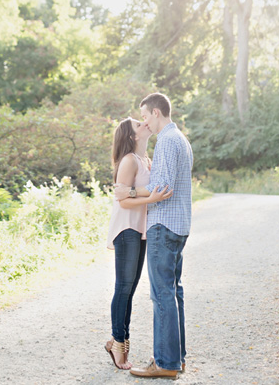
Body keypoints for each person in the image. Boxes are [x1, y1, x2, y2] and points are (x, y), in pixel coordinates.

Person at [114, 93, 193, 379]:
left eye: (145, 115)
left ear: (156, 112)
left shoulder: (166, 142)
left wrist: (130, 192)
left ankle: (165, 363)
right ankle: (176, 358)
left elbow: (161, 188)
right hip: (179, 224)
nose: (145, 121)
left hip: (163, 224)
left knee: (162, 295)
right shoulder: (180, 139)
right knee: (173, 293)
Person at [105, 117, 172, 370]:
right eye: (138, 124)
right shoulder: (129, 160)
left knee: (130, 289)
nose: (144, 123)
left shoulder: (146, 160)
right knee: (123, 287)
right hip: (127, 228)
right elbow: (122, 199)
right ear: (132, 136)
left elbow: (132, 191)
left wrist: (143, 193)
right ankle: (119, 344)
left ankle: (117, 341)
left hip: (140, 229)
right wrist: (147, 196)